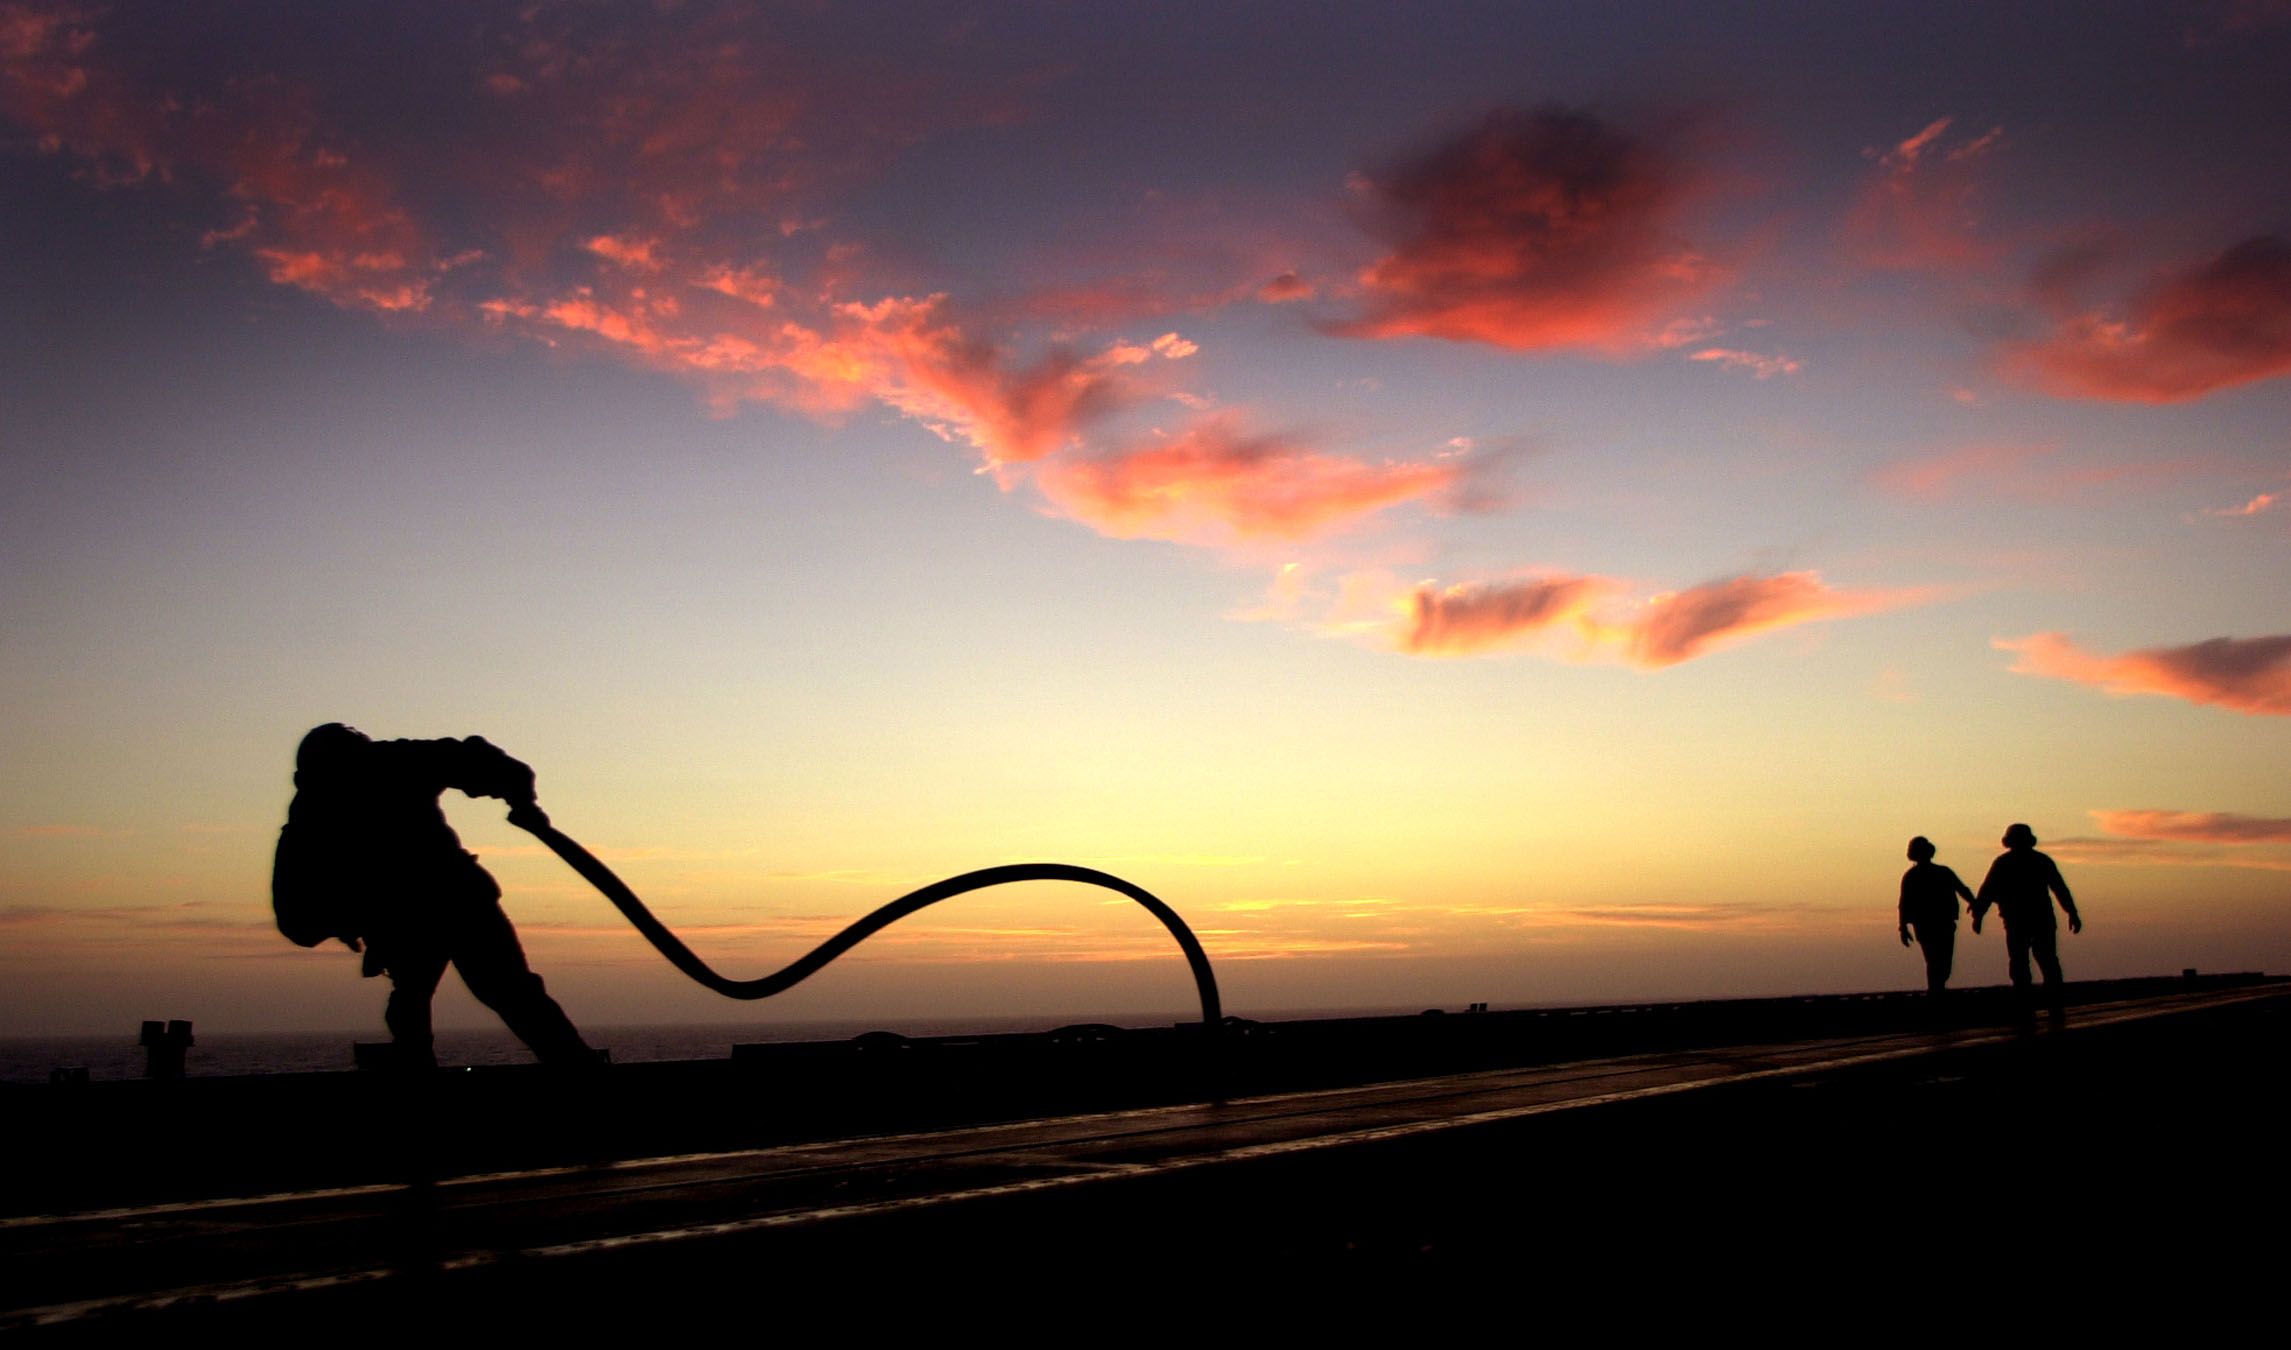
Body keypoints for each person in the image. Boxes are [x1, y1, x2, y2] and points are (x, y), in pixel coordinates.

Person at [275, 724, 599, 1068]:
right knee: (417, 1000)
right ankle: (417, 1060)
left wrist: (516, 790)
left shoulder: (396, 761)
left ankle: (574, 1065)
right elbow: (296, 919)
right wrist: (348, 921)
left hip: (458, 903)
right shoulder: (307, 824)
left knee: (506, 992)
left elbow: (470, 758)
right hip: (403, 916)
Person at [1970, 822, 2082, 1017]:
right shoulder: (2040, 861)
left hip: (2020, 920)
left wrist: (1979, 915)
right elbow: (2060, 889)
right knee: (2043, 962)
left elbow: (1988, 890)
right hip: (2035, 919)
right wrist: (2072, 913)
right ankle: (2049, 1006)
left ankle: (2029, 1006)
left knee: (2024, 963)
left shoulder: (2005, 863)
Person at [1897, 836, 1974, 998]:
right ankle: (1936, 991)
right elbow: (1904, 903)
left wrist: (1975, 903)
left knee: (1942, 961)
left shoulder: (1942, 872)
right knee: (1935, 960)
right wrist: (1903, 927)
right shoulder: (1912, 876)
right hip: (1926, 924)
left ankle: (1937, 989)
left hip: (1942, 922)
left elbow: (1961, 889)